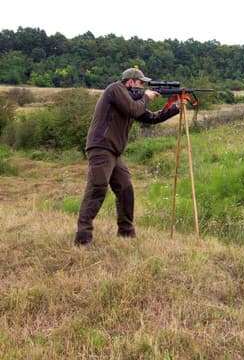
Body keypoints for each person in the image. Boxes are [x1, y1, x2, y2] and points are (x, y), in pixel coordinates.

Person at [74, 67, 184, 245]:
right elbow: (134, 109)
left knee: (126, 189)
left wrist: (175, 108)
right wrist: (147, 97)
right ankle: (83, 239)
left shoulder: (131, 100)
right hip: (102, 147)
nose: (142, 87)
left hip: (114, 152)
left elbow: (151, 117)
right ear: (131, 82)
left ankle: (126, 233)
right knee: (97, 190)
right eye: (140, 83)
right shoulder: (115, 89)